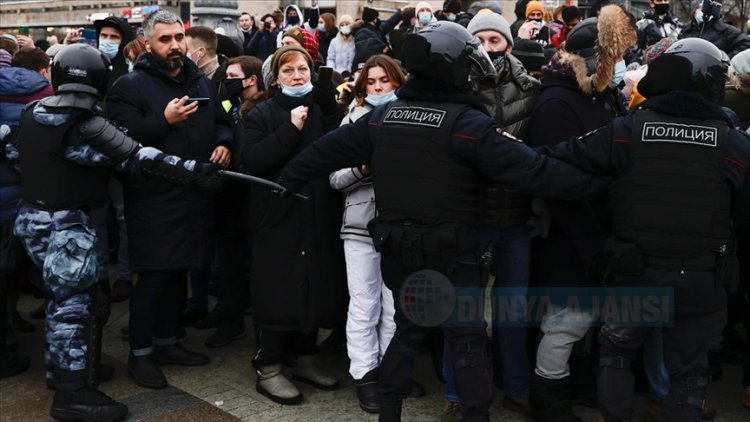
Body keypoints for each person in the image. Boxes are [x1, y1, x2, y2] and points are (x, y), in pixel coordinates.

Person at [276, 22, 611, 422]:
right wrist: (597, 183)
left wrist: (284, 183)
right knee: (467, 342)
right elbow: (537, 172)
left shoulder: (385, 118)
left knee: (406, 332)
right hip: (453, 257)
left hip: (399, 253)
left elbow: (321, 154)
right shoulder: (468, 126)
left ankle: (390, 414)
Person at [6, 43, 223, 422]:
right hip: (65, 228)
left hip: (32, 219)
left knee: (65, 303)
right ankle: (73, 395)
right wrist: (193, 170)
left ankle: (66, 372)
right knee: (75, 308)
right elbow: (138, 155)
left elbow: (16, 154)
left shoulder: (32, 112)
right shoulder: (86, 124)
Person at [540, 37, 749, 422]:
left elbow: (560, 159)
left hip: (634, 274)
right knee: (689, 372)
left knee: (617, 355)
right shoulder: (734, 144)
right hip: (700, 280)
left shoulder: (626, 131)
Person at [105, 10, 233, 390]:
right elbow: (118, 142)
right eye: (165, 40)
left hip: (196, 196)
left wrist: (224, 142)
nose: (175, 45)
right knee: (155, 278)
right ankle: (140, 354)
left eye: (178, 38)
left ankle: (168, 341)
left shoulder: (201, 81)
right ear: (148, 43)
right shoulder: (130, 86)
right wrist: (163, 120)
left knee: (180, 273)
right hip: (154, 199)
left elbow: (223, 119)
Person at [526, 6, 636, 421]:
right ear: (592, 61)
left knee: (592, 320)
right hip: (572, 231)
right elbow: (554, 178)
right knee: (565, 322)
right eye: (612, 57)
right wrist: (590, 241)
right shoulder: (557, 103)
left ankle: (582, 386)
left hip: (602, 227)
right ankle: (549, 402)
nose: (619, 65)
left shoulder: (602, 94)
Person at [239, 45, 345, 406]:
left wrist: (329, 107)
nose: (297, 76)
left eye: (303, 69)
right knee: (278, 288)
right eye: (289, 71)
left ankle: (305, 356)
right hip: (277, 216)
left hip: (318, 212)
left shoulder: (321, 109)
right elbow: (253, 161)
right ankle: (268, 365)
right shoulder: (261, 113)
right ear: (275, 78)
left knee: (314, 283)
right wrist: (289, 130)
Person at [329, 54, 405, 414]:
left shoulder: (409, 117)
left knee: (394, 307)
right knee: (364, 305)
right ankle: (365, 375)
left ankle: (391, 372)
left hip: (401, 225)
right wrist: (364, 169)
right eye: (371, 82)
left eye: (384, 81)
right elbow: (335, 178)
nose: (377, 88)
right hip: (360, 226)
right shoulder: (352, 121)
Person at [204, 55, 265, 349]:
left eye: (232, 75)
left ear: (251, 80)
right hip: (230, 197)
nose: (225, 80)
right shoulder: (230, 104)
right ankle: (229, 317)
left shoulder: (264, 108)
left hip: (254, 198)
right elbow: (226, 118)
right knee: (228, 264)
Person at [679, 0, 750, 59]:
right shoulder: (686, 30)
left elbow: (745, 44)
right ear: (693, 12)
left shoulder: (724, 30)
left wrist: (725, 59)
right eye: (699, 8)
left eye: (704, 8)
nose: (703, 11)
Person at [94, 17, 135, 89]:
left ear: (124, 42)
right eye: (104, 35)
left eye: (114, 37)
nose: (107, 40)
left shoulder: (132, 72)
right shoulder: (90, 65)